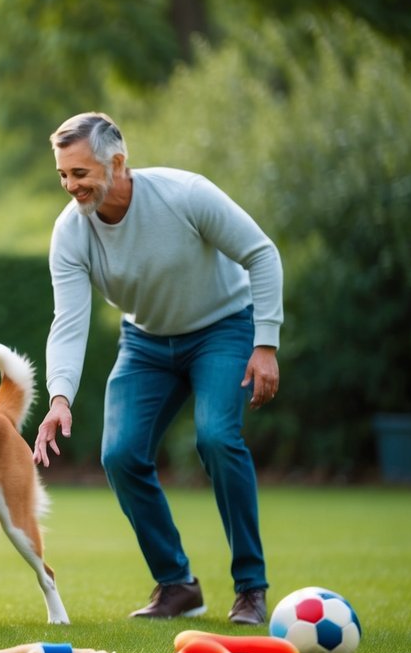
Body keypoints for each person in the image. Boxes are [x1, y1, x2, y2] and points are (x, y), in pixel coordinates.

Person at [32, 112, 283, 625]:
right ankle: (177, 584)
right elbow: (69, 322)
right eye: (62, 175)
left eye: (80, 173)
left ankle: (251, 589)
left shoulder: (184, 194)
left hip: (224, 328)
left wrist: (266, 343)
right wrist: (59, 397)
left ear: (117, 162)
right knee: (120, 454)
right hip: (146, 342)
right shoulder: (71, 234)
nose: (70, 186)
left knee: (216, 438)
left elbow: (262, 254)